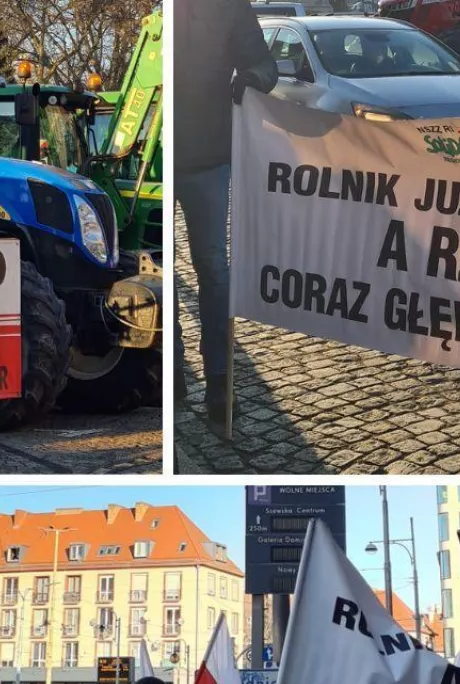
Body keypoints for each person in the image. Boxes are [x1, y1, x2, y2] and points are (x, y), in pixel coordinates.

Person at [174, 0, 276, 429]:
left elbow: (265, 65)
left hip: (207, 156)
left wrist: (252, 78)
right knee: (156, 274)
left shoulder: (229, 6)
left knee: (213, 269)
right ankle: (173, 372)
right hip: (158, 159)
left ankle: (219, 381)